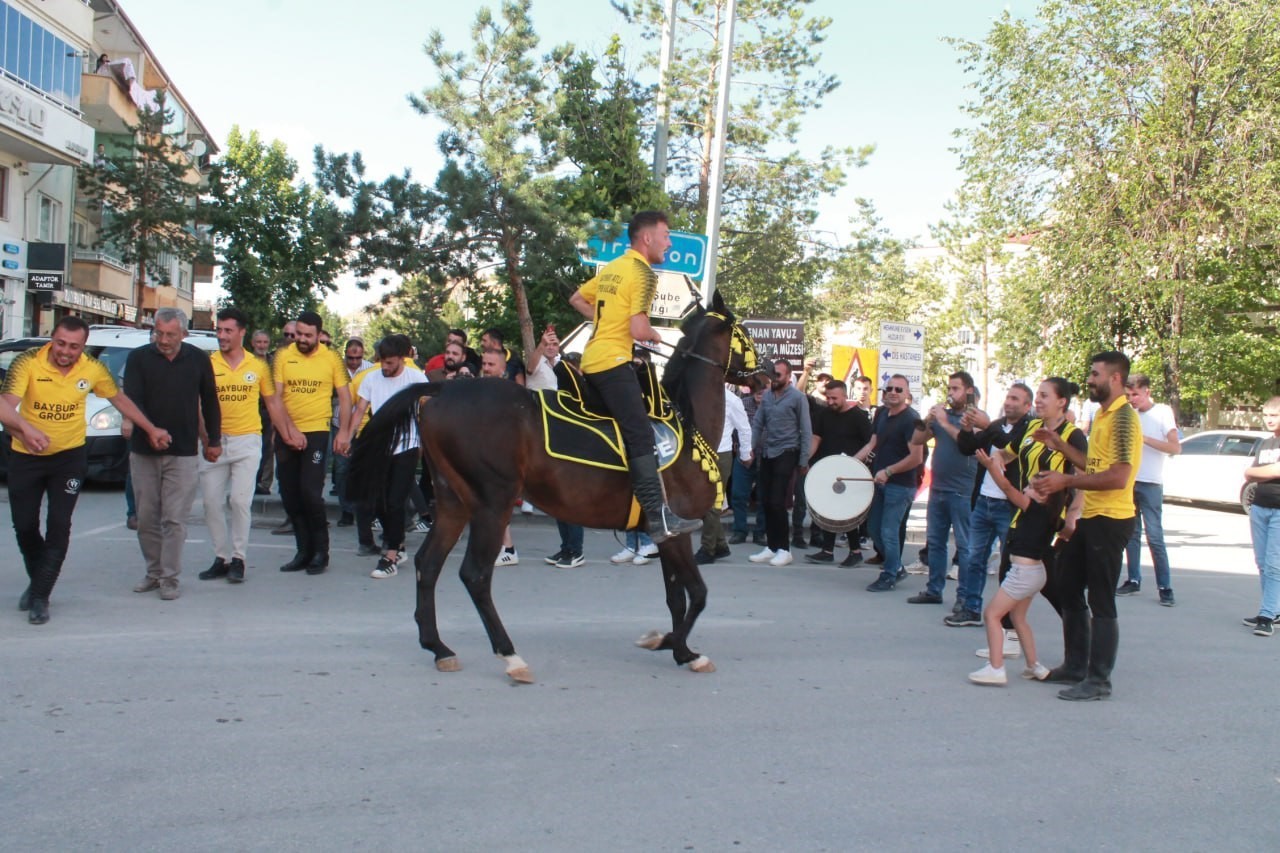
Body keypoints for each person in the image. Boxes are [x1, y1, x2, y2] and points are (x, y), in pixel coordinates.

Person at [1, 317, 167, 623]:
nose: (66, 351)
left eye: (74, 346)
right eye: (61, 343)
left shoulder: (92, 368)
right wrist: (25, 429)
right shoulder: (28, 362)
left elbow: (119, 399)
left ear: (83, 346)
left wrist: (150, 428)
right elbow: (5, 404)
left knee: (59, 526)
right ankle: (39, 579)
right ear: (53, 338)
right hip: (27, 454)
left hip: (68, 458)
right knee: (24, 525)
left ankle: (40, 595)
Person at [568, 209, 701, 544]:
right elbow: (639, 328)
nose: (669, 243)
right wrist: (658, 337)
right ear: (647, 237)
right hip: (613, 362)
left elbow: (577, 298)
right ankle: (657, 518)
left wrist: (607, 323)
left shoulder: (614, 268)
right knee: (640, 435)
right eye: (666, 235)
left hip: (593, 359)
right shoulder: (643, 273)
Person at [1030, 351, 1141, 701]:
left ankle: (1099, 680)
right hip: (1094, 517)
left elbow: (1119, 477)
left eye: (1095, 374)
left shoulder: (1123, 418)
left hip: (1111, 521)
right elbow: (1095, 466)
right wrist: (1061, 445)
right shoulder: (1104, 415)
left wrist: (1066, 482)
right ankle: (1076, 665)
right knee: (1067, 584)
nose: (1089, 380)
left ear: (1116, 379)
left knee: (1102, 600)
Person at [968, 378, 1085, 686]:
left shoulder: (1073, 436)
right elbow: (1007, 454)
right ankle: (1033, 662)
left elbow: (1084, 474)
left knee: (1062, 597)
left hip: (1044, 522)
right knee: (1023, 606)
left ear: (1062, 401)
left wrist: (1072, 518)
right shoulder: (1032, 431)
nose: (1039, 401)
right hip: (1028, 521)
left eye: (1044, 396)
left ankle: (1081, 656)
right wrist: (995, 460)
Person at [124, 308, 222, 601]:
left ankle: (170, 577)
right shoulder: (138, 358)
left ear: (184, 333)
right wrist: (151, 431)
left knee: (175, 519)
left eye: (170, 334)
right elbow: (133, 400)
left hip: (183, 452)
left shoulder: (198, 359)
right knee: (146, 517)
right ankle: (153, 572)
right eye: (159, 333)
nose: (164, 340)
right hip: (144, 450)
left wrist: (213, 440)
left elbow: (210, 402)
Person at [198, 309, 289, 585]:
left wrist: (285, 433)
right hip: (214, 442)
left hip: (247, 440)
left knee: (239, 500)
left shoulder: (258, 365)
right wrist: (206, 440)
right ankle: (220, 557)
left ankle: (238, 558)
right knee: (211, 503)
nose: (222, 336)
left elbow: (272, 402)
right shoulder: (207, 364)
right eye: (219, 330)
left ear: (241, 333)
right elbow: (197, 405)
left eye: (227, 330)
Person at [337, 334, 427, 579]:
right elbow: (360, 410)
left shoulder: (416, 378)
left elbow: (427, 409)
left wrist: (425, 442)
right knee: (378, 502)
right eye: (382, 362)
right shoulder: (371, 378)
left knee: (396, 500)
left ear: (402, 358)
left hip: (407, 445)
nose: (385, 367)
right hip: (379, 447)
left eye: (390, 363)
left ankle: (390, 556)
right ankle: (398, 544)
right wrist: (347, 436)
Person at [947, 383, 1034, 631]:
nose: (1009, 402)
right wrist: (965, 430)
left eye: (1015, 399)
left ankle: (1007, 618)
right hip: (984, 500)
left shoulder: (1028, 429)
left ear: (1027, 406)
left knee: (1010, 564)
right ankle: (971, 608)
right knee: (974, 558)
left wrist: (987, 426)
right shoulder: (997, 425)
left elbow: (1013, 447)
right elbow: (967, 448)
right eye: (1007, 397)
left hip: (1009, 504)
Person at [272, 310, 352, 575]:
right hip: (287, 433)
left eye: (308, 335)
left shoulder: (332, 360)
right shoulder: (283, 356)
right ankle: (303, 551)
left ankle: (321, 552)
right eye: (299, 334)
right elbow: (276, 398)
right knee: (290, 495)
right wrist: (289, 431)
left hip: (317, 432)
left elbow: (345, 397)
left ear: (319, 334)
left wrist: (344, 432)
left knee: (310, 493)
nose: (302, 339)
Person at [907, 372, 978, 604]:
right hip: (938, 488)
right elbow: (916, 440)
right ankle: (933, 590)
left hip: (962, 490)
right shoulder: (941, 417)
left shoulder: (974, 417)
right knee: (935, 542)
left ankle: (964, 597)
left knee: (964, 546)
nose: (950, 393)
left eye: (955, 388)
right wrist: (929, 419)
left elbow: (966, 442)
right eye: (949, 388)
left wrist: (944, 422)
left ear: (968, 390)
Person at [854, 375, 924, 591]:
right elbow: (873, 443)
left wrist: (889, 471)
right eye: (889, 388)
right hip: (880, 482)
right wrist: (849, 463)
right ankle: (896, 567)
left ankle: (890, 574)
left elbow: (917, 457)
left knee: (888, 531)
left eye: (899, 389)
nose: (893, 392)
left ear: (907, 394)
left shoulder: (912, 420)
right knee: (874, 529)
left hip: (901, 485)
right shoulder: (882, 413)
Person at [1119, 373, 1181, 605]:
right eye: (1128, 395)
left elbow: (1175, 447)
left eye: (1135, 394)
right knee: (1130, 534)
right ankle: (1133, 579)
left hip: (1151, 482)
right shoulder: (1128, 413)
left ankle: (1165, 586)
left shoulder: (1162, 412)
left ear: (1147, 391)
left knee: (1154, 536)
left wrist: (1143, 439)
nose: (1132, 399)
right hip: (1130, 481)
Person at [748, 358, 814, 567]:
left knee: (777, 502)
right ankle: (772, 546)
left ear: (788, 376)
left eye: (778, 374)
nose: (774, 378)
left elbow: (806, 430)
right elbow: (758, 423)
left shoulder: (798, 398)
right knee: (765, 501)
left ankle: (784, 550)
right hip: (767, 452)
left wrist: (803, 460)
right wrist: (749, 448)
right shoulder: (767, 396)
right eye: (772, 374)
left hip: (787, 452)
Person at [804, 379, 872, 566]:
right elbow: (816, 438)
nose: (831, 401)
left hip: (850, 473)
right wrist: (807, 458)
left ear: (844, 395)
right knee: (829, 511)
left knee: (846, 514)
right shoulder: (824, 414)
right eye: (828, 398)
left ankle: (855, 551)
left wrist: (855, 463)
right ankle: (827, 550)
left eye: (834, 398)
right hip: (827, 470)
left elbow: (870, 443)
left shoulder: (858, 416)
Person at [695, 383, 753, 564]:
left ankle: (707, 549)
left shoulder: (731, 399)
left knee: (711, 502)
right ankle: (720, 545)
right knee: (706, 502)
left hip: (720, 454)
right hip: (699, 453)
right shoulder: (695, 394)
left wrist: (745, 453)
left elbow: (744, 428)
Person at [1243, 398, 1280, 637]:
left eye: (1274, 415)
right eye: (1266, 414)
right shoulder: (1266, 443)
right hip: (1259, 507)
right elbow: (1248, 472)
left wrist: (1259, 473)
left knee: (1274, 563)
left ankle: (1267, 615)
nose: (1269, 419)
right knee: (1261, 563)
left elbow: (1274, 471)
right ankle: (1272, 610)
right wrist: (1262, 472)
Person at [333, 337, 372, 526]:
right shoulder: (337, 368)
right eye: (350, 358)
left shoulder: (371, 369)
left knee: (364, 469)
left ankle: (364, 508)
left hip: (364, 426)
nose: (354, 362)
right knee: (342, 468)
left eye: (358, 358)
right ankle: (346, 510)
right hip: (339, 424)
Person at [729, 385, 767, 546]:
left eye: (764, 388)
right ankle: (739, 531)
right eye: (758, 388)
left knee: (763, 497)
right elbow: (732, 425)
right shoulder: (742, 403)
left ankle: (760, 533)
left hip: (766, 457)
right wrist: (737, 445)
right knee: (738, 495)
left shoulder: (775, 404)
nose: (760, 391)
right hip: (743, 457)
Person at [250, 329, 275, 495]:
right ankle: (251, 481)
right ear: (253, 343)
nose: (262, 345)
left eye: (265, 342)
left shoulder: (274, 363)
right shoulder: (247, 361)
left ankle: (265, 484)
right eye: (259, 342)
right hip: (251, 409)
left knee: (269, 447)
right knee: (252, 447)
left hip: (269, 410)